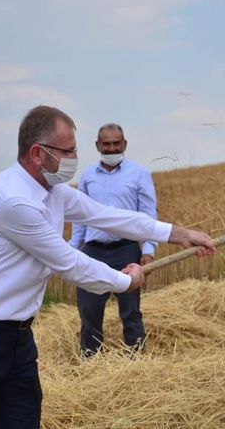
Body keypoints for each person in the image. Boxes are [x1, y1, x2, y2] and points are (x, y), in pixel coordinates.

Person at [0, 105, 215, 429]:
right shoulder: (14, 201)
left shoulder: (54, 191)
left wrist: (179, 234)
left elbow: (107, 216)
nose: (75, 157)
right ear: (38, 153)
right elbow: (69, 263)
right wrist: (124, 282)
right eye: (68, 151)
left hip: (18, 336)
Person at [69, 123, 156, 357]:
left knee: (130, 312)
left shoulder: (139, 174)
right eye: (106, 144)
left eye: (116, 143)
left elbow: (148, 215)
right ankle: (90, 362)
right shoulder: (87, 176)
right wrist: (73, 250)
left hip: (126, 251)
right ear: (98, 146)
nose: (111, 148)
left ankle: (136, 361)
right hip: (93, 253)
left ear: (124, 144)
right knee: (89, 312)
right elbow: (80, 219)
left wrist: (148, 250)